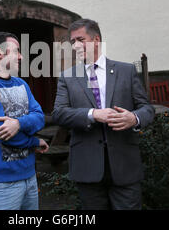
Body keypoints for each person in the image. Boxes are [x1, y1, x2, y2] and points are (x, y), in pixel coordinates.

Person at [52, 19, 155, 210]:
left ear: (96, 39)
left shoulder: (126, 71)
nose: (75, 46)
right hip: (87, 166)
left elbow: (147, 108)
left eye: (80, 39)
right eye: (72, 42)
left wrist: (134, 118)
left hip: (125, 164)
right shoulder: (68, 77)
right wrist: (92, 114)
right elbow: (58, 113)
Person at [0, 31, 49, 210]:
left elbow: (40, 117)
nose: (21, 56)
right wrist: (35, 141)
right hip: (1, 185)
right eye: (17, 51)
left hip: (29, 177)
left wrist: (18, 123)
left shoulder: (22, 84)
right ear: (0, 52)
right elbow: (4, 134)